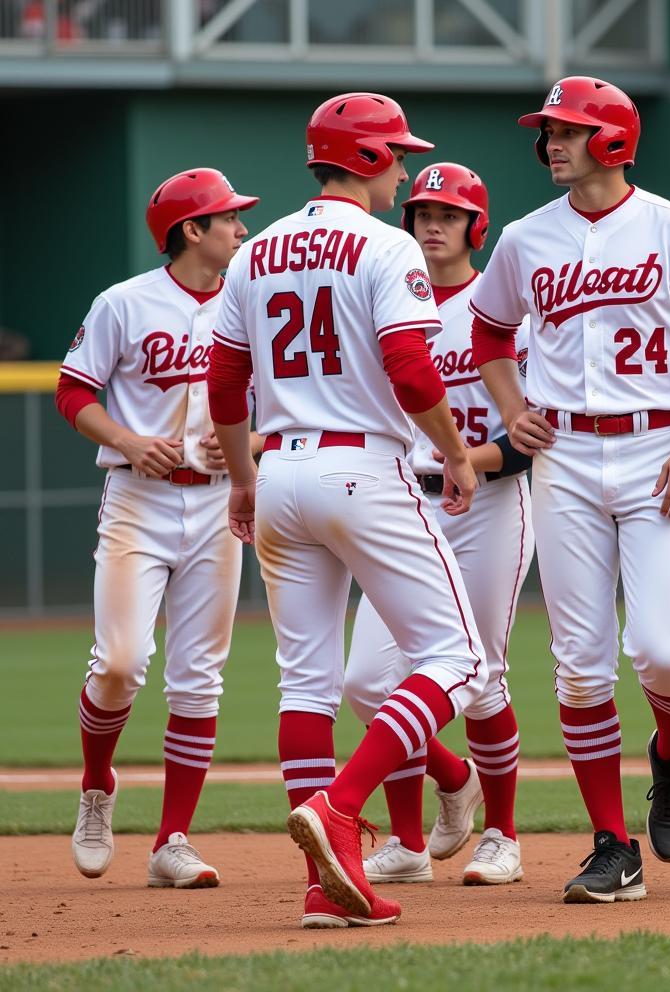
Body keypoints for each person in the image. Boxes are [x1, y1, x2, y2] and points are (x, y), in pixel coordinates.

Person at [206, 94, 488, 929]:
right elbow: (408, 368)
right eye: (395, 154)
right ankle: (342, 807)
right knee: (459, 657)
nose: (402, 168)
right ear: (364, 159)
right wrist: (458, 450)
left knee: (307, 681)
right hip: (364, 464)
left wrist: (240, 480)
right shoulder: (385, 242)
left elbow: (224, 385)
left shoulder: (255, 258)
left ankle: (326, 885)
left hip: (280, 465)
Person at [470, 76, 670, 903]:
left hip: (659, 448)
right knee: (581, 668)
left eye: (569, 130)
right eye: (547, 131)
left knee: (662, 651)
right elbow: (489, 329)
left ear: (615, 139)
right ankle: (609, 845)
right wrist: (512, 408)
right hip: (563, 457)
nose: (551, 142)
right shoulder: (525, 238)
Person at [57, 167, 259, 889]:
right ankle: (95, 785)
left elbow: (284, 408)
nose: (241, 228)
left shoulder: (252, 302)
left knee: (198, 681)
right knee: (118, 662)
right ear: (191, 230)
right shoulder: (125, 302)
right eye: (228, 218)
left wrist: (248, 448)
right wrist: (130, 440)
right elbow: (72, 390)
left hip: (215, 505)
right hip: (137, 499)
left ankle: (172, 840)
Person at [345, 162, 533, 887]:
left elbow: (531, 434)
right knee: (366, 679)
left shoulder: (500, 305)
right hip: (402, 499)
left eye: (449, 214)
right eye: (422, 210)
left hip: (489, 501)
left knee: (481, 675)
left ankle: (504, 836)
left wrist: (469, 461)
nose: (431, 222)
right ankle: (423, 822)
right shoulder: (386, 291)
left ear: (475, 227)